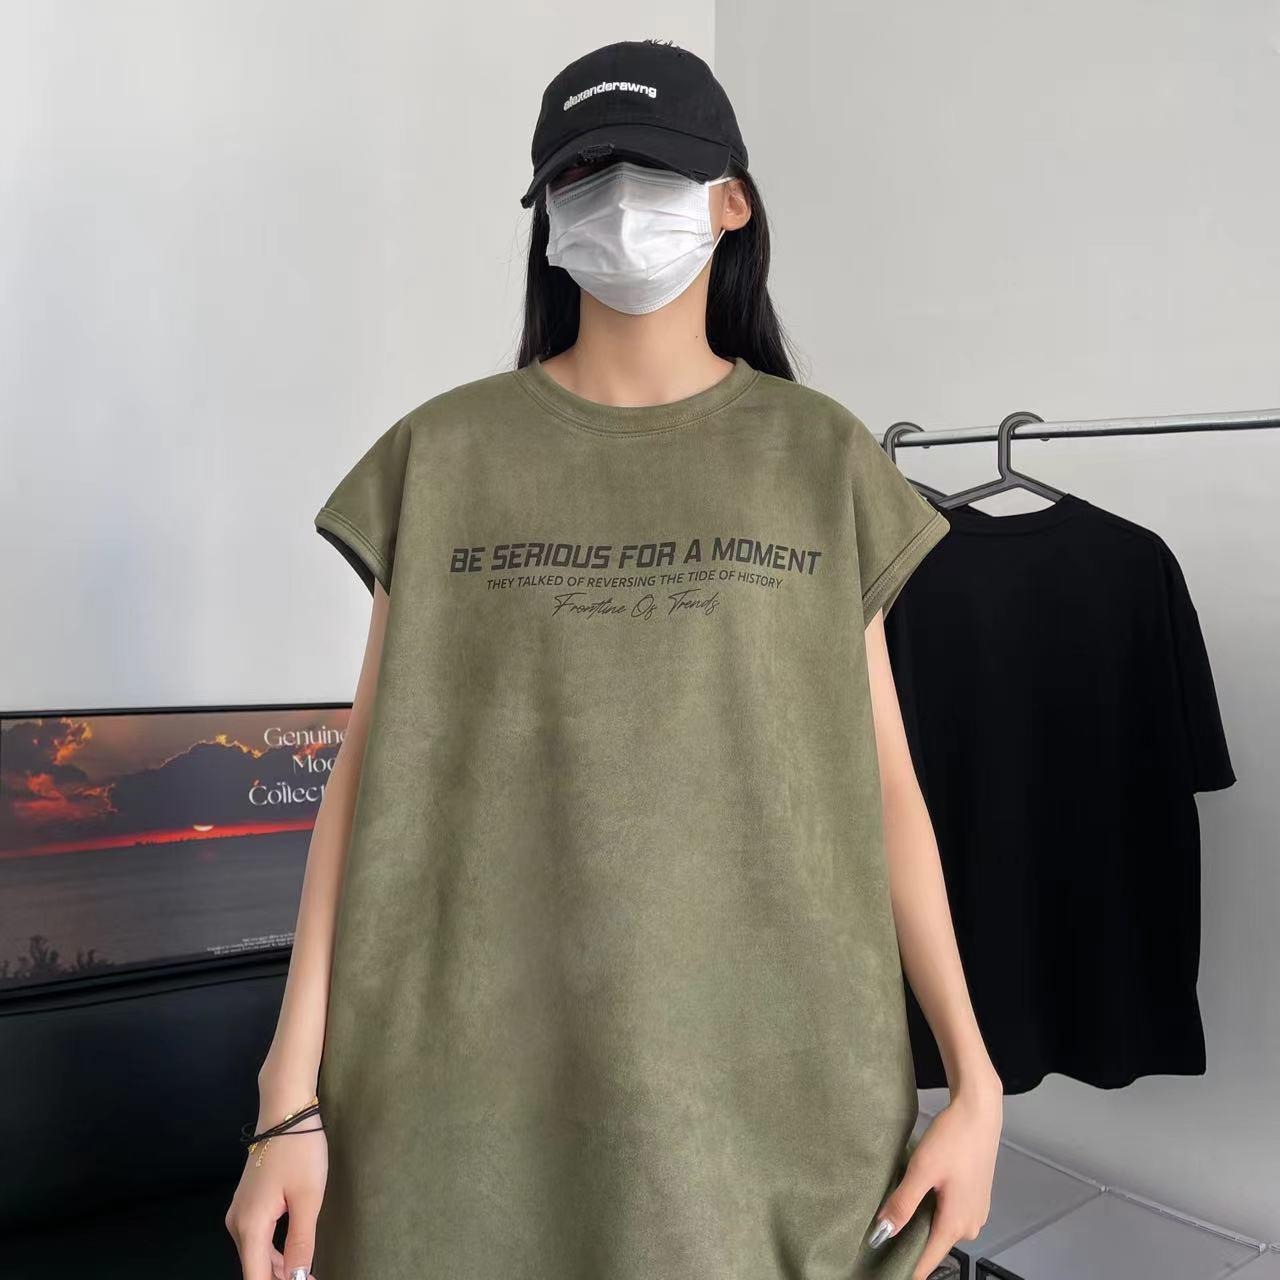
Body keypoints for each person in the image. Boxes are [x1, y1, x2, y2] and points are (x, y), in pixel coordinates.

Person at [225, 37, 1003, 1280]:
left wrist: (974, 1078)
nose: (618, 200)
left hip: (778, 1101)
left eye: (655, 169)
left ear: (730, 203)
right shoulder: (441, 456)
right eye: (582, 173)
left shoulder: (820, 457)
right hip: (455, 1100)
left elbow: (882, 787)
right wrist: (286, 1096)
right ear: (545, 215)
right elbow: (362, 785)